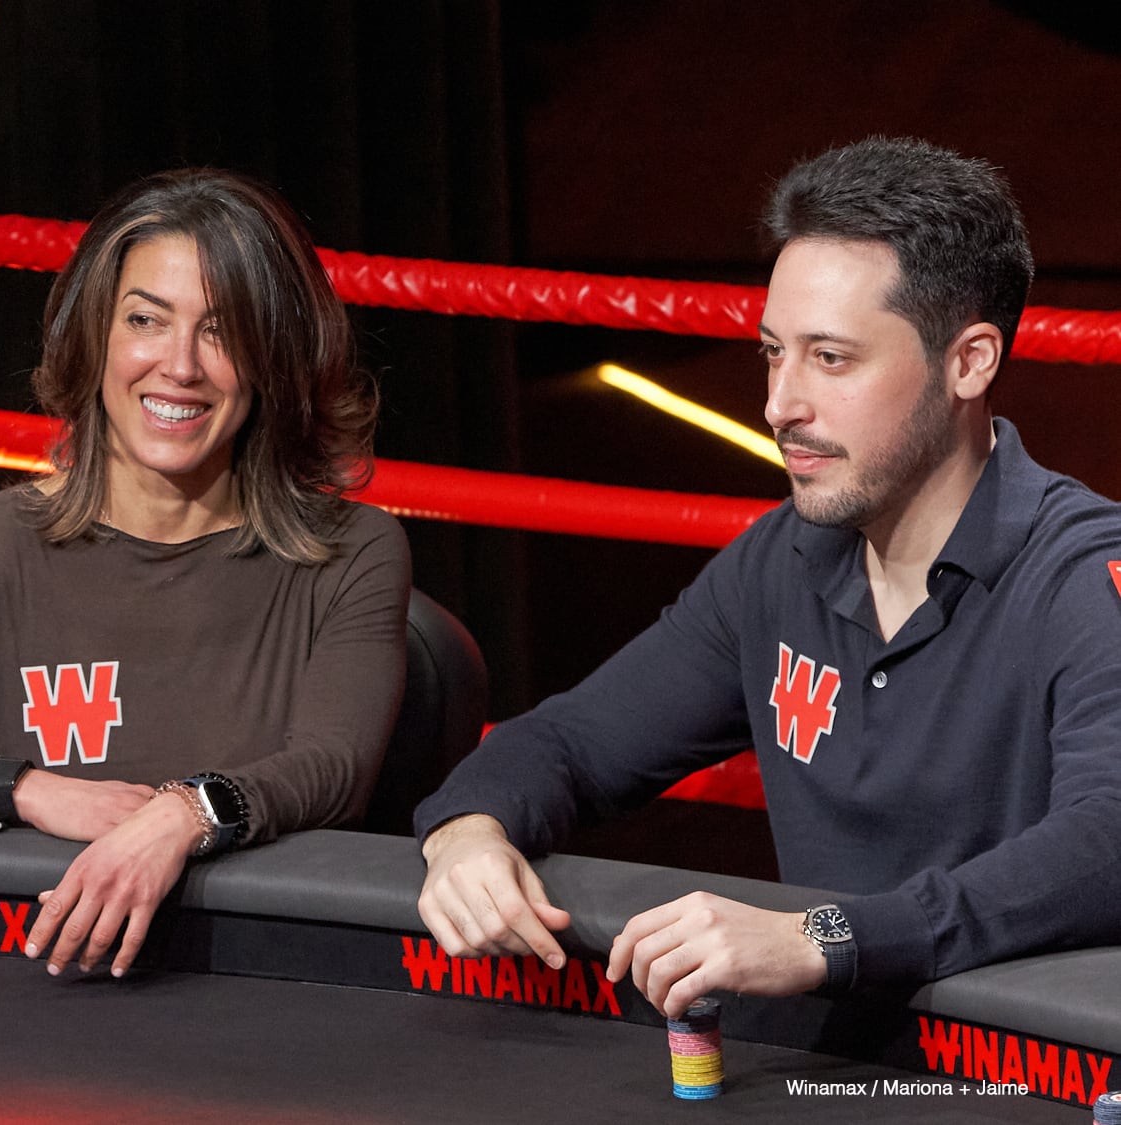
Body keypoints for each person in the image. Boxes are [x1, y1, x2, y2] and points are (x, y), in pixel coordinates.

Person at [414, 136, 1121, 1018]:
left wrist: (829, 937)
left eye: (831, 358)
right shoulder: (779, 558)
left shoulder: (1084, 576)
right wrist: (467, 827)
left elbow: (1109, 843)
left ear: (969, 361)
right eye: (772, 352)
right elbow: (574, 742)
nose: (780, 404)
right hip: (825, 1068)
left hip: (1031, 1075)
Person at [0, 168, 411, 979]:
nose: (180, 365)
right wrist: (19, 788)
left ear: (274, 356)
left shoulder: (353, 551)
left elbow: (334, 768)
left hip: (263, 984)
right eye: (145, 320)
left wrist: (183, 814)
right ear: (94, 335)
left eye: (223, 330)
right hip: (45, 987)